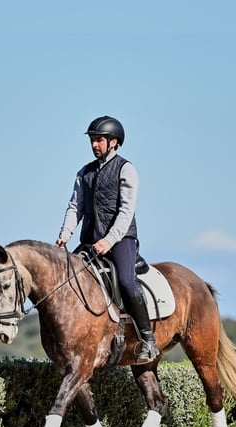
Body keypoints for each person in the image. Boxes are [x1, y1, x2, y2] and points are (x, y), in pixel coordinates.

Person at [55, 115, 160, 364]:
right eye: (92, 140)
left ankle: (148, 339)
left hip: (121, 240)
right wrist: (65, 234)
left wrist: (109, 241)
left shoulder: (126, 169)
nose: (94, 145)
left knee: (125, 280)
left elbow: (126, 212)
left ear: (114, 142)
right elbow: (74, 207)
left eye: (99, 140)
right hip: (90, 243)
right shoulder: (85, 172)